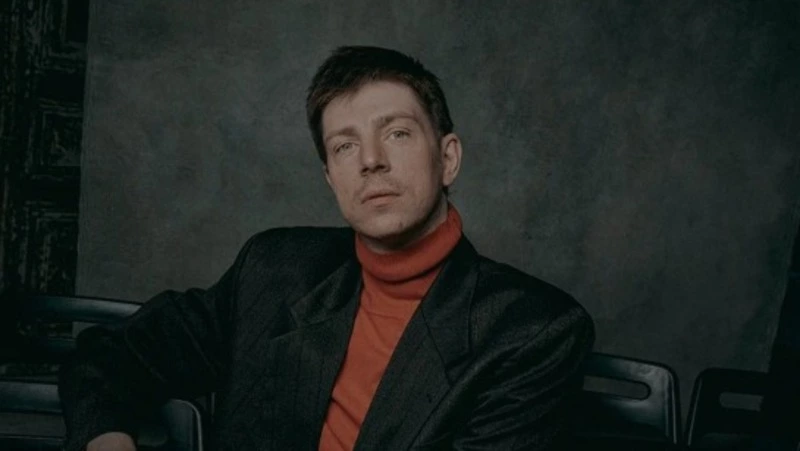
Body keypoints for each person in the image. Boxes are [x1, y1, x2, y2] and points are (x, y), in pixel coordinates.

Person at [59, 45, 595, 451]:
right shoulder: (273, 269)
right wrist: (107, 438)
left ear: (448, 158)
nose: (371, 160)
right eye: (345, 145)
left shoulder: (534, 332)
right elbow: (107, 359)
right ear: (331, 178)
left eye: (398, 133)